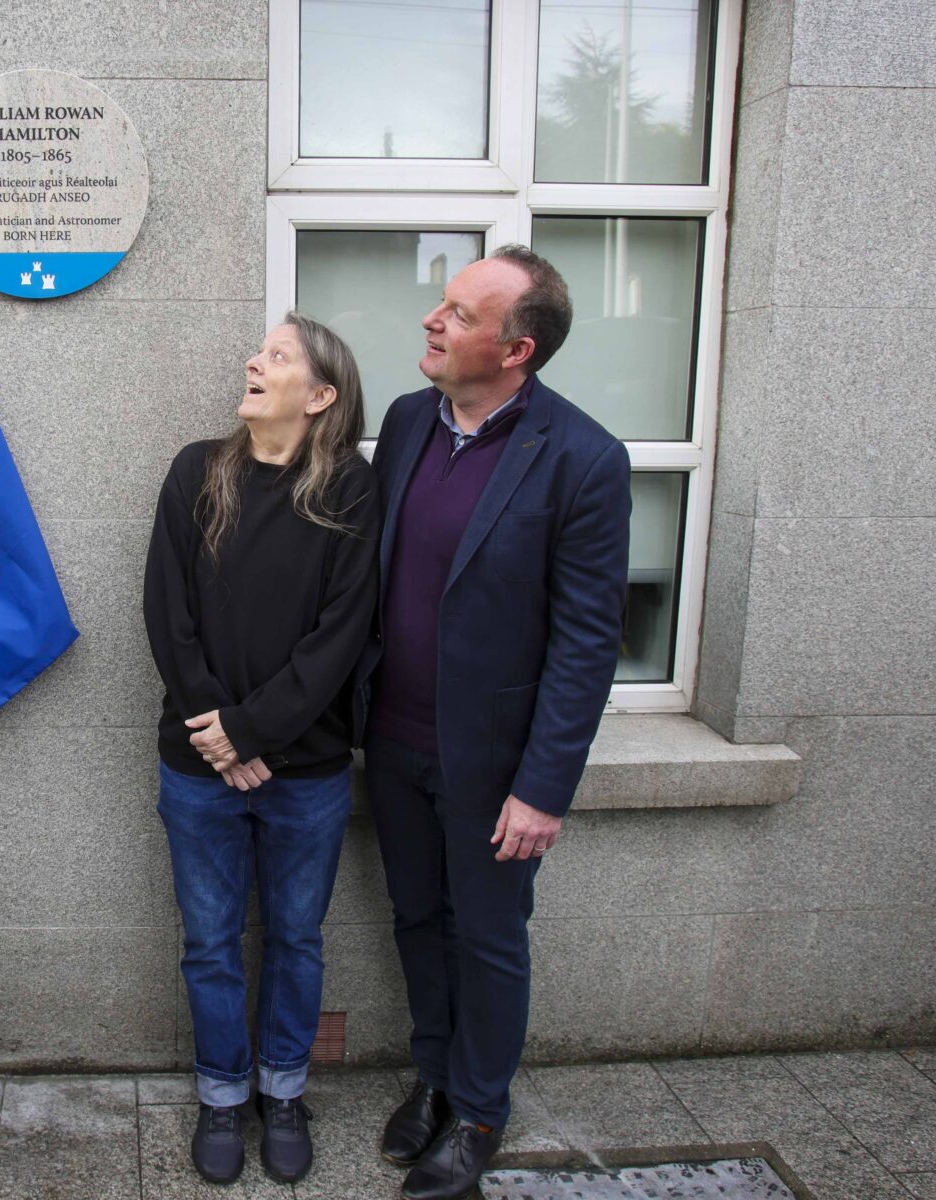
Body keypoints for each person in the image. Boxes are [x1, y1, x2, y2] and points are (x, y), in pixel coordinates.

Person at [362, 246, 631, 1200]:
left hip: (495, 764)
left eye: (459, 314)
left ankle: (478, 1113)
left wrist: (542, 788)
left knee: (488, 936)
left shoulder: (584, 460)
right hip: (392, 743)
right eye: (441, 304)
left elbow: (588, 643)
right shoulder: (405, 424)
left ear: (515, 349)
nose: (434, 322)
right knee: (417, 919)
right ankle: (433, 1077)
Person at [142, 313, 381, 1185]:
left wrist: (252, 731)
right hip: (198, 762)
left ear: (319, 397)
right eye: (260, 350)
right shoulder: (196, 472)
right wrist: (220, 732)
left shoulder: (350, 489)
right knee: (208, 941)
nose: (254, 360)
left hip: (304, 770)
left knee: (295, 938)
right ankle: (220, 1094)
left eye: (278, 356)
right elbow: (167, 613)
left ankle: (282, 1091)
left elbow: (339, 636)